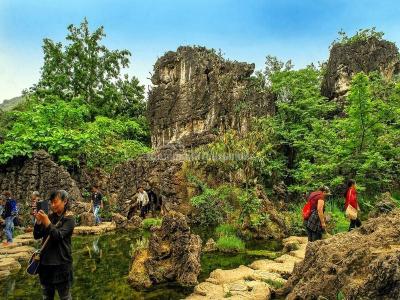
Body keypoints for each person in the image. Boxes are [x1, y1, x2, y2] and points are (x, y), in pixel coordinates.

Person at [34, 190, 75, 300]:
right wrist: (38, 222)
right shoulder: (50, 217)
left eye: (55, 202)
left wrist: (47, 222)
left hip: (61, 265)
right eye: (51, 202)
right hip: (45, 265)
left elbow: (58, 236)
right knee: (47, 297)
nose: (52, 205)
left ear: (65, 201)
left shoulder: (69, 219)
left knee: (65, 297)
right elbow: (37, 235)